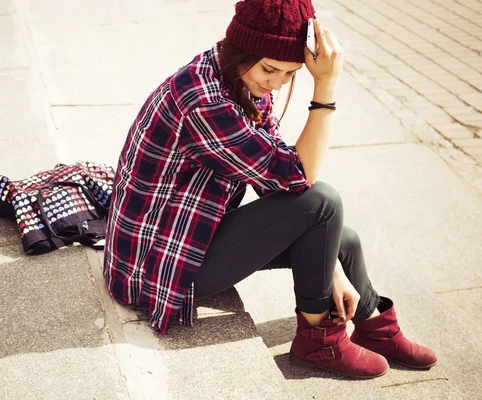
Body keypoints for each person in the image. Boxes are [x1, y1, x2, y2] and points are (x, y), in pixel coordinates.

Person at [102, 0, 437, 379]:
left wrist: (333, 268)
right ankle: (317, 341)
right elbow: (299, 176)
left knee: (345, 242)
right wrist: (325, 87)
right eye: (271, 69)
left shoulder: (237, 74)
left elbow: (276, 182)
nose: (277, 82)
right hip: (160, 268)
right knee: (323, 203)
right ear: (241, 49)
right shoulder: (206, 102)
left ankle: (375, 327)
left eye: (292, 73)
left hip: (189, 239)